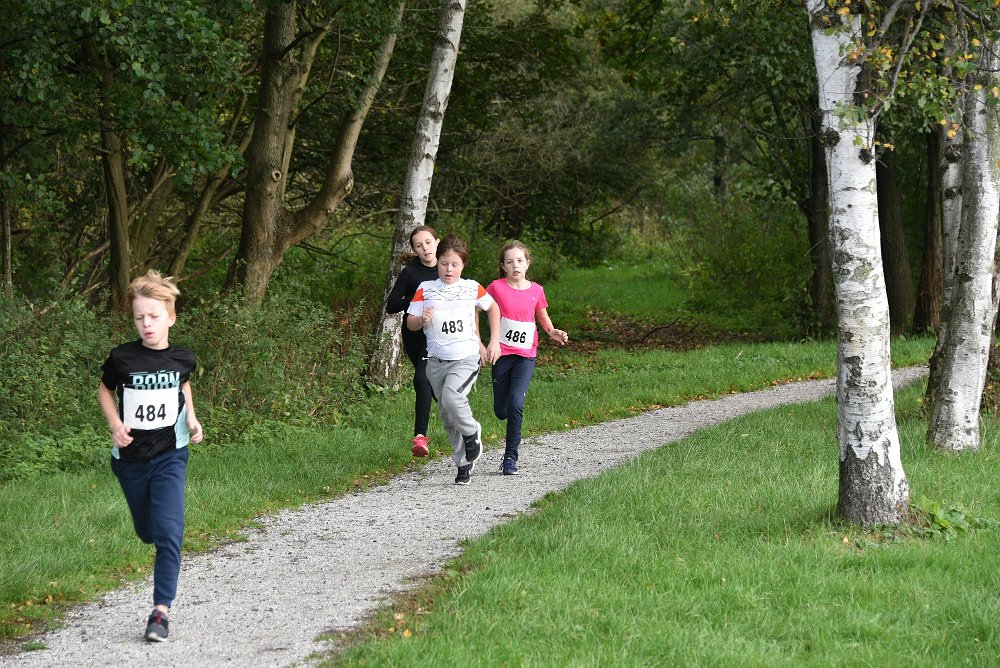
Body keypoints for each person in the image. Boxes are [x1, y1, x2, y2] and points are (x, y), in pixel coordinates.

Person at [97, 270, 204, 642]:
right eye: (139, 317)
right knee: (148, 532)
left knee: (169, 532)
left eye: (154, 316)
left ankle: (160, 612)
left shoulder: (183, 358)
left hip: (170, 455)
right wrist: (115, 424)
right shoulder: (122, 358)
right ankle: (150, 531)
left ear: (171, 317)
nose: (146, 324)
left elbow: (182, 386)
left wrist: (191, 417)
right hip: (129, 460)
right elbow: (105, 391)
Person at [407, 236, 501, 484]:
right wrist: (422, 319)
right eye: (444, 263)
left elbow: (493, 308)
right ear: (437, 261)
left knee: (451, 396)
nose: (449, 269)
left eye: (455, 265)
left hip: (465, 358)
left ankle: (472, 431)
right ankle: (463, 464)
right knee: (448, 415)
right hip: (436, 361)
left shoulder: (472, 288)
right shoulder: (425, 289)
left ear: (463, 265)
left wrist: (493, 341)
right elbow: (410, 323)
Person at [487, 241, 568, 476]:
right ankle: (506, 414)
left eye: (520, 261)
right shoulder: (496, 287)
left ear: (527, 263)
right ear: (502, 266)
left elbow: (541, 315)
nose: (515, 265)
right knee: (501, 410)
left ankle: (510, 457)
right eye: (509, 262)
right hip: (502, 354)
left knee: (516, 403)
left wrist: (552, 331)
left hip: (526, 355)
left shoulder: (536, 290)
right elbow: (478, 307)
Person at [385, 225, 440, 457]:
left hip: (438, 335)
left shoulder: (447, 266)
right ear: (415, 250)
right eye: (419, 245)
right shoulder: (410, 273)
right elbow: (391, 306)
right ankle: (457, 415)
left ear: (437, 242)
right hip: (414, 334)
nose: (425, 248)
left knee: (421, 379)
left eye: (428, 242)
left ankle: (420, 437)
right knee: (432, 386)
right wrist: (415, 300)